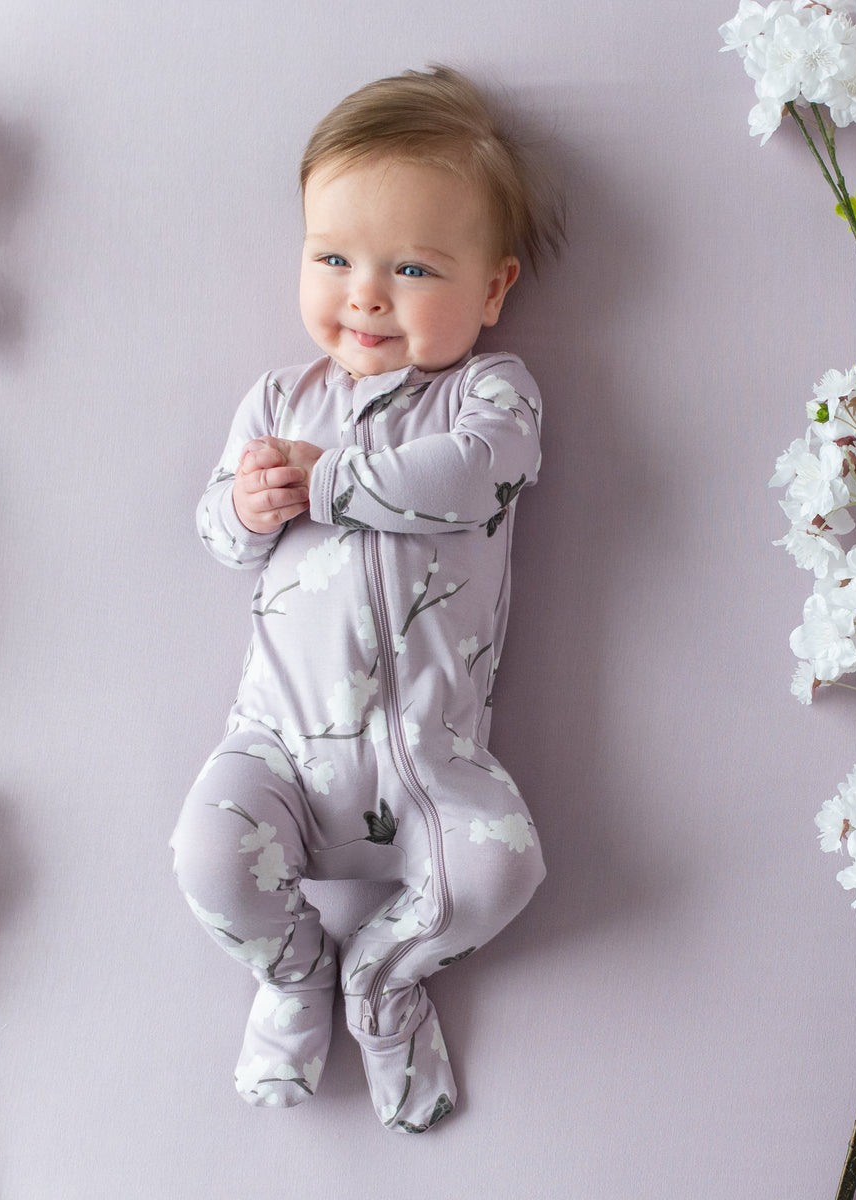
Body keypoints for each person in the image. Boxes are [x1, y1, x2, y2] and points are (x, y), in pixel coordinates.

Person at [171, 64, 564, 1133]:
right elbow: (218, 536)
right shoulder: (280, 398)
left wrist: (331, 482)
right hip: (281, 747)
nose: (365, 293)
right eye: (334, 257)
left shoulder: (490, 393)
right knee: (207, 855)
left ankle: (382, 980)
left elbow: (482, 472)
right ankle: (295, 971)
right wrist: (249, 507)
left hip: (434, 760)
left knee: (504, 872)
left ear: (492, 289)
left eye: (414, 267)